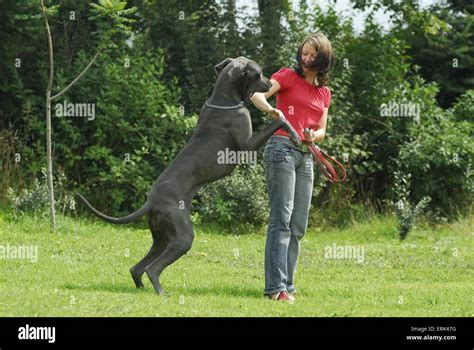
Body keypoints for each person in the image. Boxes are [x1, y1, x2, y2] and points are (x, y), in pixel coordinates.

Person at [250, 33, 335, 302]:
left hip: (305, 155)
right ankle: (276, 289)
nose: (306, 59)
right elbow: (257, 94)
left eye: (313, 55)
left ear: (323, 59)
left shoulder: (324, 92)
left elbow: (322, 130)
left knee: (298, 224)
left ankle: (288, 284)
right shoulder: (287, 75)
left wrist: (313, 136)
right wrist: (271, 111)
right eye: (304, 53)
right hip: (281, 149)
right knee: (281, 219)